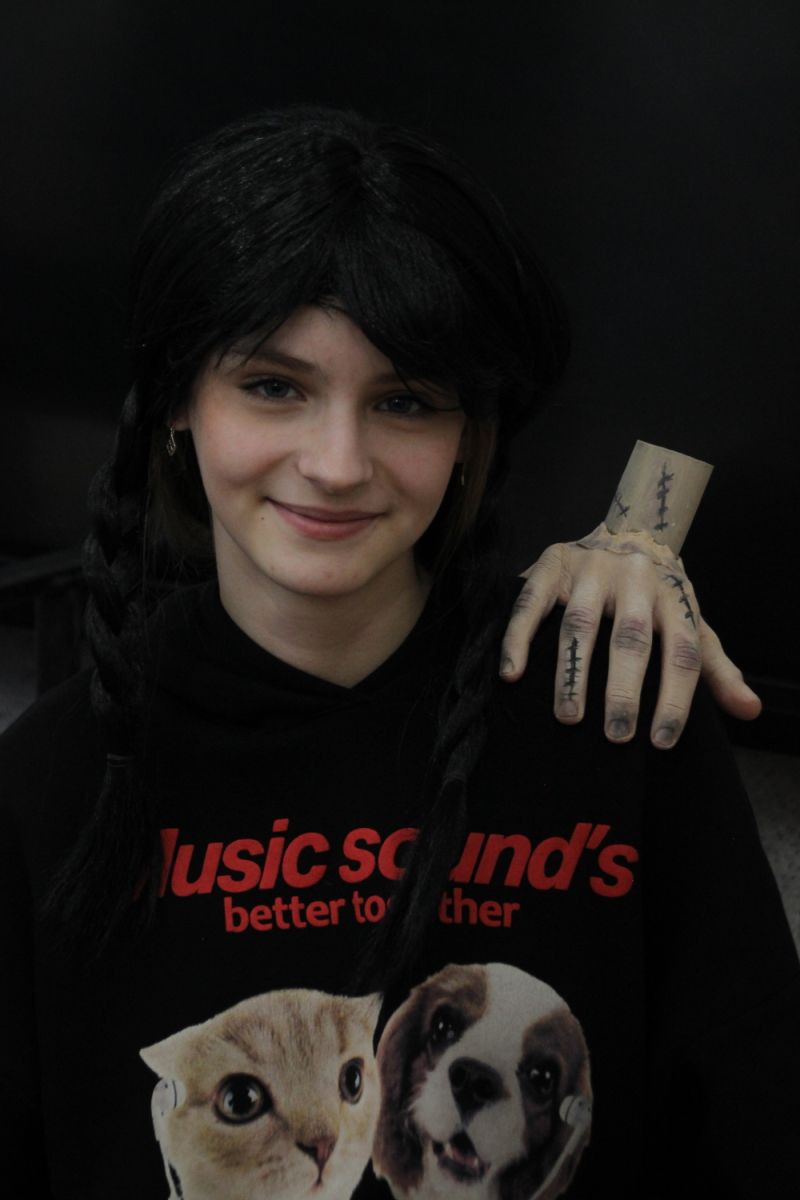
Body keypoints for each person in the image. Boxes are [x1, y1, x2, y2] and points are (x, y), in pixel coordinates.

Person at [1, 105, 796, 1200]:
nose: (336, 462)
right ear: (179, 405)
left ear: (469, 432)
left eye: (405, 401)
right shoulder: (47, 786)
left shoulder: (613, 713)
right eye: (273, 386)